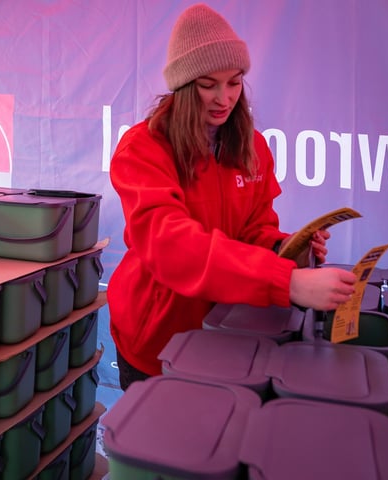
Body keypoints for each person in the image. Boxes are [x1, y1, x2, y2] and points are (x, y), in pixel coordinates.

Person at [107, 3, 357, 390]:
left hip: (229, 333)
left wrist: (287, 248)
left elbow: (255, 227)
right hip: (158, 340)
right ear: (185, 86)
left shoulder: (252, 146)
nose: (224, 98)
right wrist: (286, 283)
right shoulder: (144, 148)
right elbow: (171, 246)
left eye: (235, 82)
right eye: (208, 84)